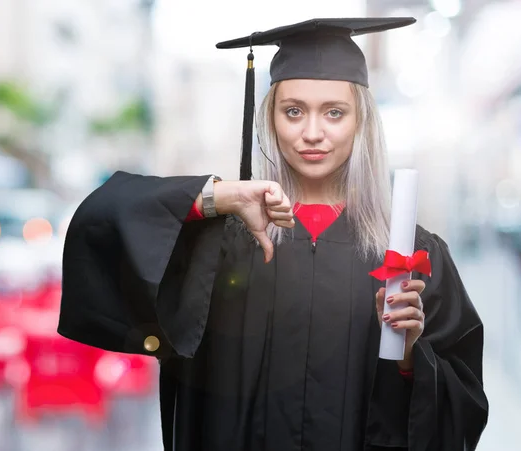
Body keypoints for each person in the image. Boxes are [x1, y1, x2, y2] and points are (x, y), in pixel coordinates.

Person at [58, 17, 488, 451]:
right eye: (293, 111)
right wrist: (219, 197)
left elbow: (463, 407)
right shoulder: (221, 241)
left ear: (362, 123)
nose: (313, 133)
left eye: (334, 113)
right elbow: (99, 224)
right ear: (270, 118)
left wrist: (412, 357)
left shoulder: (410, 253)